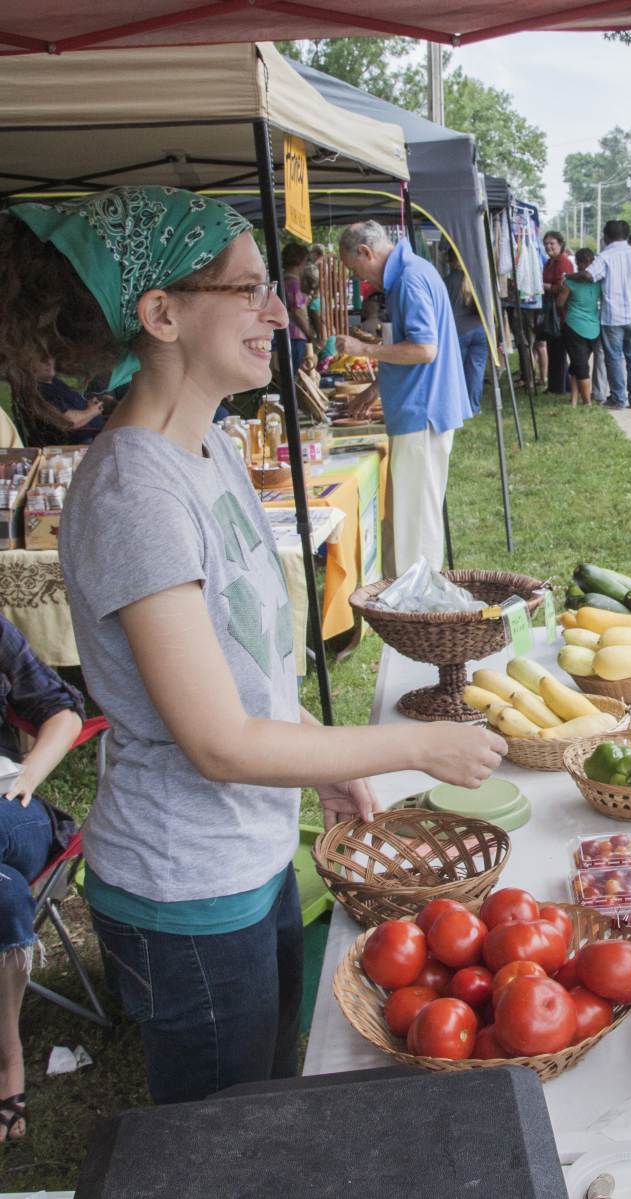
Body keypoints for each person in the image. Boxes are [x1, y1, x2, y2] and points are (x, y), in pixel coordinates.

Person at [0, 187, 506, 1106]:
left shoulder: (213, 450)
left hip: (251, 852)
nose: (279, 310)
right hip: (184, 893)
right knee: (222, 1139)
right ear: (160, 314)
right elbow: (219, 741)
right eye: (246, 290)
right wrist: (415, 743)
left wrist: (322, 764)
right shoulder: (133, 495)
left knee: (272, 1092)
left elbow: (247, 673)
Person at [337, 220, 472, 576]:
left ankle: (419, 602)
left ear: (366, 252)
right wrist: (376, 387)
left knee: (417, 518)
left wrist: (365, 349)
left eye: (355, 269)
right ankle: (407, 594)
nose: (359, 280)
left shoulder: (410, 279)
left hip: (422, 411)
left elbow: (424, 350)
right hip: (419, 407)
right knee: (411, 512)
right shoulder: (411, 273)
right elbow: (410, 346)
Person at [0, 617, 84, 1141]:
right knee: (4, 891)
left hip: (10, 810)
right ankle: (8, 1055)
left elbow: (63, 712)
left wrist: (27, 774)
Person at [579, 220, 631, 410]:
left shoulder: (605, 256)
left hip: (612, 316)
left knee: (613, 358)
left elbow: (589, 276)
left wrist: (570, 276)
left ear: (606, 236)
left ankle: (618, 398)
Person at [21, 358, 107, 446]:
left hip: (95, 434)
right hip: (81, 442)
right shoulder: (39, 391)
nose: (49, 362)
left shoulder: (54, 382)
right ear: (29, 366)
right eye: (42, 360)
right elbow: (67, 421)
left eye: (49, 357)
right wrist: (92, 411)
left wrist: (91, 405)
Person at [444, 250, 488, 416]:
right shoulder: (478, 279)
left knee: (456, 371)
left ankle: (458, 408)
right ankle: (474, 407)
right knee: (476, 370)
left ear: (451, 262)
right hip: (480, 329)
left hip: (458, 330)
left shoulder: (447, 281)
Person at [558, 248, 602, 408]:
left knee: (580, 366)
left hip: (574, 327)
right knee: (579, 363)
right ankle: (576, 401)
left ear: (577, 263)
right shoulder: (599, 282)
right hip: (593, 328)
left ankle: (586, 402)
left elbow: (560, 303)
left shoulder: (569, 282)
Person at [540, 232, 574, 396]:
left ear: (560, 244)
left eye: (552, 243)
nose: (548, 246)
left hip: (561, 312)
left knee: (559, 350)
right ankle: (556, 385)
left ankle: (560, 387)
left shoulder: (564, 262)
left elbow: (564, 287)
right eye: (546, 243)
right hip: (549, 309)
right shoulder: (548, 262)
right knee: (552, 349)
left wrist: (547, 287)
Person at [280, 242, 315, 373]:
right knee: (295, 374)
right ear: (301, 261)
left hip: (286, 333)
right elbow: (297, 312)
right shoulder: (293, 283)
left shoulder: (282, 280)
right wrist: (309, 332)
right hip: (295, 335)